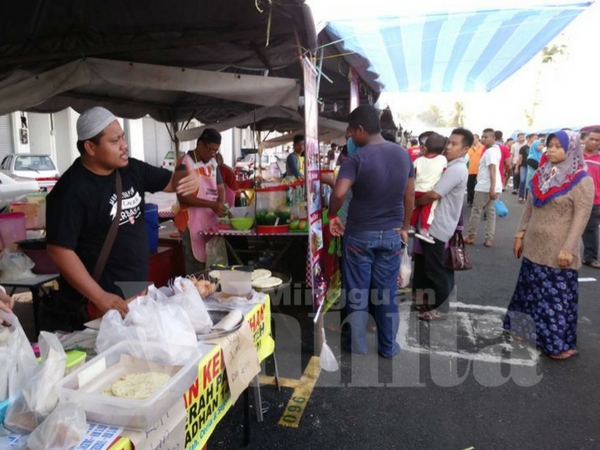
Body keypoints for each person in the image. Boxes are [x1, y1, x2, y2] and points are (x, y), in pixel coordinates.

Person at [46, 107, 199, 324]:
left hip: (136, 292)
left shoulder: (131, 170)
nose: (124, 145)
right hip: (99, 301)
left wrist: (191, 176)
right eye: (114, 140)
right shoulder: (71, 190)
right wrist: (99, 297)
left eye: (123, 137)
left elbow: (173, 181)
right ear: (90, 147)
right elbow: (59, 251)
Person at [328, 105, 414, 358]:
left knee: (357, 293)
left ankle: (358, 346)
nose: (350, 138)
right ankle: (388, 347)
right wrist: (405, 227)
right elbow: (409, 195)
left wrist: (333, 214)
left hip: (359, 235)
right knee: (386, 292)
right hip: (391, 233)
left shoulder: (356, 159)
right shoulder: (403, 155)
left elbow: (340, 192)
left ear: (361, 130)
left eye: (352, 132)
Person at [504, 130, 594, 360]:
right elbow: (529, 208)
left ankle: (557, 344)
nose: (551, 150)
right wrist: (519, 234)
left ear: (571, 149)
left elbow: (581, 218)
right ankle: (523, 329)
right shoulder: (542, 174)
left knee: (555, 299)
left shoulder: (581, 180)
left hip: (559, 249)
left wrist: (569, 248)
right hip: (534, 245)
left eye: (557, 146)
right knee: (529, 291)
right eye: (549, 145)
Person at [412, 128, 473, 320]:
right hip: (430, 224)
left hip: (438, 226)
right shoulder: (446, 164)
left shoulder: (456, 169)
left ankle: (439, 307)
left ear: (465, 149)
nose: (448, 147)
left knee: (435, 268)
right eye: (449, 142)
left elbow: (434, 194)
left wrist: (413, 202)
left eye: (454, 144)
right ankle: (424, 300)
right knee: (423, 264)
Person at [174, 128, 227, 275]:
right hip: (191, 223)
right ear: (200, 144)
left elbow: (220, 188)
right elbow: (182, 196)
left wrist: (220, 204)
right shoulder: (185, 163)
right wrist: (212, 204)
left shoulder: (213, 163)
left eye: (215, 151)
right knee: (196, 270)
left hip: (210, 222)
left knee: (213, 267)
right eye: (210, 149)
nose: (212, 153)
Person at [464, 128, 502, 247]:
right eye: (483, 137)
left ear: (493, 138)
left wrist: (491, 188)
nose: (483, 139)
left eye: (486, 137)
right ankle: (488, 239)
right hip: (493, 186)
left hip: (485, 187)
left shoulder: (490, 152)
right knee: (491, 212)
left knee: (477, 211)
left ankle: (471, 236)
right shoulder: (495, 150)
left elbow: (493, 170)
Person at [409, 133, 447, 243]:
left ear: (425, 147)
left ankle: (411, 226)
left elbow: (412, 174)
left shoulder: (418, 161)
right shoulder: (442, 159)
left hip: (416, 190)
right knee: (428, 210)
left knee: (415, 208)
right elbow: (444, 172)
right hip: (429, 190)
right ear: (442, 149)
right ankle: (424, 230)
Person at [582, 128, 600, 268]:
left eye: (597, 140)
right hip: (573, 198)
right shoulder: (575, 156)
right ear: (585, 139)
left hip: (594, 200)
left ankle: (590, 258)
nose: (593, 142)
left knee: (591, 229)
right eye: (591, 139)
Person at [516, 133, 537, 202]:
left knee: (530, 182)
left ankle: (527, 197)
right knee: (523, 180)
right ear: (529, 139)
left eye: (537, 138)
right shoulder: (523, 148)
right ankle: (521, 195)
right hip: (524, 166)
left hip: (532, 167)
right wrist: (516, 167)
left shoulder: (537, 148)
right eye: (535, 138)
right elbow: (519, 158)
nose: (536, 139)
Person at [466, 134, 484, 207]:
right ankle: (471, 200)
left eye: (474, 138)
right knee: (470, 187)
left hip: (479, 171)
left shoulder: (483, 148)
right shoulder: (468, 148)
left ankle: (478, 201)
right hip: (469, 171)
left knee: (479, 187)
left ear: (478, 139)